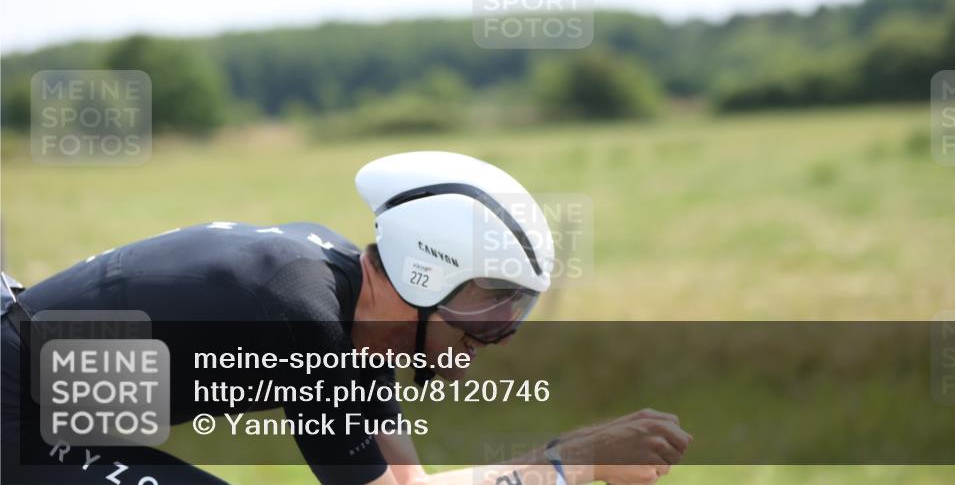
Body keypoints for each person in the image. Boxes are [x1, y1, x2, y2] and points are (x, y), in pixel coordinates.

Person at [1, 151, 691, 485]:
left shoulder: (352, 311)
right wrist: (571, 462)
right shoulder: (299, 316)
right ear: (424, 274)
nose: (492, 340)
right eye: (485, 313)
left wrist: (569, 457)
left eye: (514, 316)